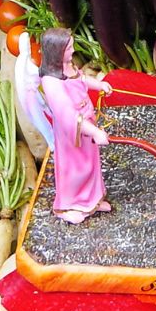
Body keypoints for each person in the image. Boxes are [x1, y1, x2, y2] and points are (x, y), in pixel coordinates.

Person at [38, 27, 113, 223]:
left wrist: (99, 84)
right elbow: (67, 115)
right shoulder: (51, 81)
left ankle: (92, 202)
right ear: (56, 51)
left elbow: (81, 79)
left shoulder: (68, 67)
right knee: (76, 169)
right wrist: (94, 132)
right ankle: (69, 206)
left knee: (91, 165)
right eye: (68, 48)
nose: (73, 51)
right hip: (73, 134)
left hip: (86, 124)